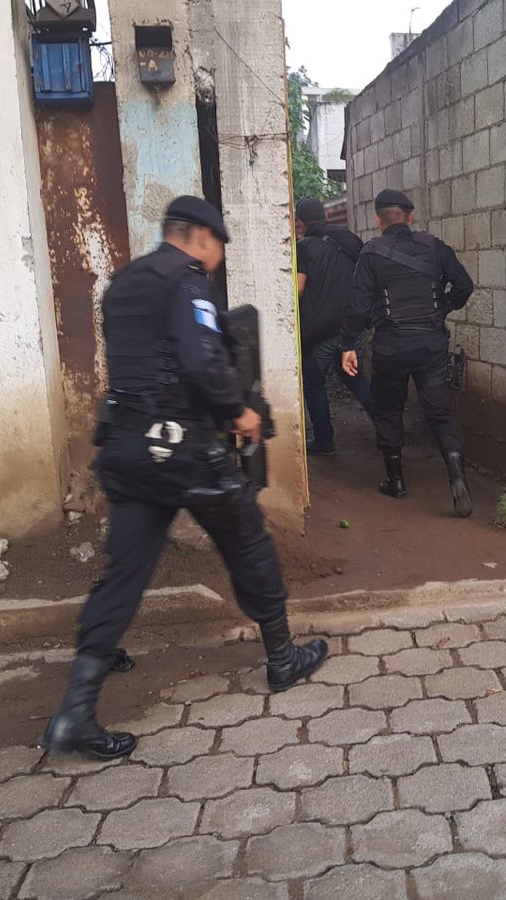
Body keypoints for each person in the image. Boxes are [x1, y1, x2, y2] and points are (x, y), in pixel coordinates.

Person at [42, 196, 328, 761]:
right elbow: (200, 362)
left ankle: (76, 710)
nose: (218, 259)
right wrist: (239, 412)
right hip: (182, 450)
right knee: (247, 541)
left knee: (125, 570)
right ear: (200, 237)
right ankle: (281, 658)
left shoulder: (123, 285)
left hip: (126, 448)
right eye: (218, 246)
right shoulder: (188, 282)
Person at [342, 189, 476, 517]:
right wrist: (439, 309)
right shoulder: (435, 248)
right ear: (410, 216)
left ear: (378, 219)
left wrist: (348, 344)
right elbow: (464, 286)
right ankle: (457, 479)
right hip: (431, 345)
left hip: (390, 347)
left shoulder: (371, 254)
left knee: (389, 410)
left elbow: (358, 307)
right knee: (440, 413)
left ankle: (396, 481)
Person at [295, 197, 376, 455]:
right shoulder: (348, 242)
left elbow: (298, 288)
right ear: (326, 217)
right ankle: (387, 427)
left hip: (320, 330)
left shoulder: (304, 247)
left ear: (301, 222)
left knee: (314, 383)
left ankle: (324, 440)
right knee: (354, 377)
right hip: (351, 326)